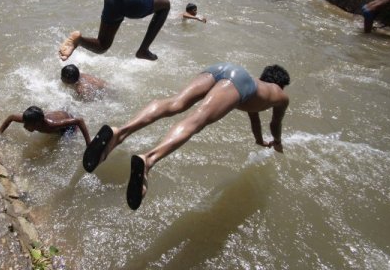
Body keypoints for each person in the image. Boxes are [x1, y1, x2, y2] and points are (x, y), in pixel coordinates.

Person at [83, 63, 290, 210]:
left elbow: (254, 118)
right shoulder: (280, 96)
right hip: (238, 83)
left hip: (221, 68)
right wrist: (278, 142)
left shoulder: (256, 87)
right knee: (196, 120)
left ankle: (119, 133)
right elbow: (275, 123)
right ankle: (149, 160)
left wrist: (259, 140)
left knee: (176, 103)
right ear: (281, 83)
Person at [0, 106, 91, 145]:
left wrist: (88, 143)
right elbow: (11, 117)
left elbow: (79, 120)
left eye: (27, 124)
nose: (24, 126)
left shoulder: (51, 125)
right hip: (60, 115)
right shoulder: (30, 119)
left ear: (37, 124)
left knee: (67, 143)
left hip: (69, 127)